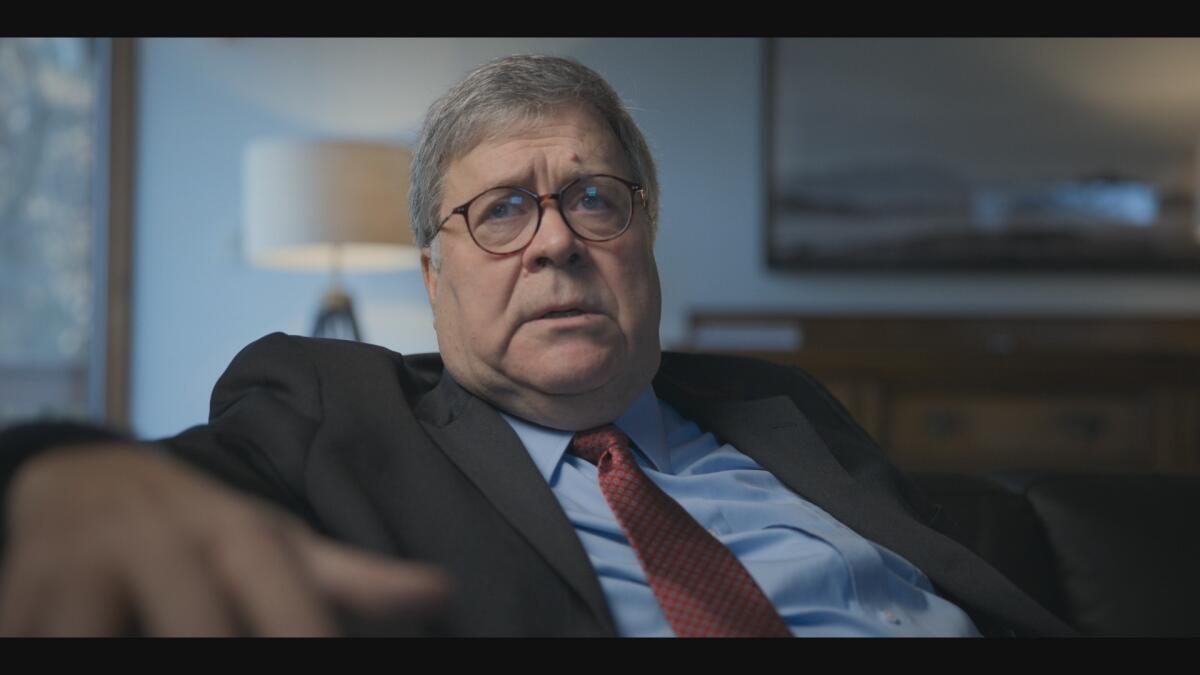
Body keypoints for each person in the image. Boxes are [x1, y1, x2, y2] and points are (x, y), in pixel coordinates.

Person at [0, 55, 1076, 637]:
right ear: (433, 277)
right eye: (503, 210)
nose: (557, 239)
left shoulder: (781, 404)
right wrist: (63, 473)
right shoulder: (336, 406)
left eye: (594, 198)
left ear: (643, 240)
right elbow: (166, 491)